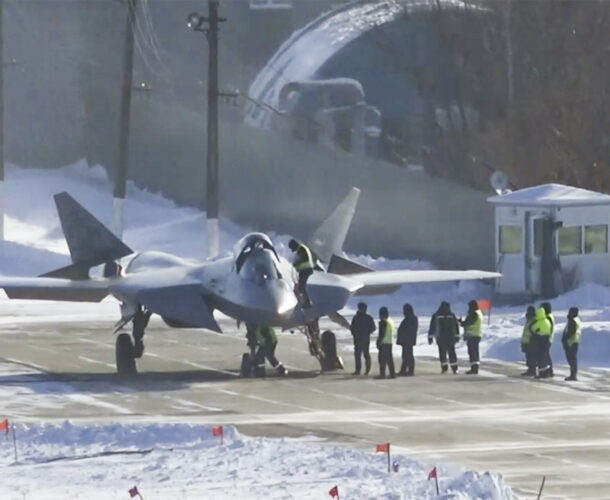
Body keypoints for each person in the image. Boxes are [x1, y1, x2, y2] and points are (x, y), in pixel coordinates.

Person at [428, 301, 459, 374]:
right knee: (452, 352)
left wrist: (430, 337)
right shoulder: (452, 315)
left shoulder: (436, 315)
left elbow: (432, 326)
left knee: (442, 352)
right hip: (450, 337)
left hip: (440, 337)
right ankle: (454, 368)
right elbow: (456, 326)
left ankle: (444, 368)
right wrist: (457, 336)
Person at [350, 302, 376, 375]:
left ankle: (367, 370)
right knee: (358, 355)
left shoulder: (368, 317)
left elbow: (373, 328)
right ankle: (358, 370)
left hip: (364, 339)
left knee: (365, 354)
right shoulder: (356, 317)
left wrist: (366, 332)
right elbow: (352, 327)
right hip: (358, 339)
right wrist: (354, 333)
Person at [288, 239, 314, 307]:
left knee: (302, 286)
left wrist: (295, 265)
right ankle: (302, 301)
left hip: (306, 270)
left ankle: (307, 303)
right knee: (301, 286)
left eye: (292, 248)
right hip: (305, 270)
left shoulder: (301, 249)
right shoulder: (302, 248)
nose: (292, 250)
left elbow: (300, 260)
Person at [460, 300, 483, 374]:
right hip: (476, 334)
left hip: (472, 335)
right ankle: (474, 367)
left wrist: (462, 323)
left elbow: (469, 322)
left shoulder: (473, 313)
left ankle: (474, 369)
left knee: (472, 352)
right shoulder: (478, 313)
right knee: (475, 352)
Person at [529, 306, 552, 378]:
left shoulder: (539, 322)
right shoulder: (547, 321)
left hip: (539, 341)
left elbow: (531, 328)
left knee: (539, 359)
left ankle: (541, 374)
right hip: (546, 341)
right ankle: (546, 372)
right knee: (545, 358)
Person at [397, 303, 418, 376]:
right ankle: (405, 370)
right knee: (406, 355)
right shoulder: (410, 318)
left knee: (408, 355)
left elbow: (408, 330)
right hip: (407, 340)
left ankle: (410, 370)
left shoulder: (411, 318)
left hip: (408, 340)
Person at [376, 306, 395, 379]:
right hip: (390, 342)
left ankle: (382, 374)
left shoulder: (383, 322)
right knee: (389, 359)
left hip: (384, 343)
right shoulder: (390, 320)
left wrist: (378, 342)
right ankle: (392, 374)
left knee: (382, 360)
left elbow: (382, 334)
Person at [562, 307, 581, 381]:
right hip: (573, 341)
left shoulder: (573, 320)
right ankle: (573, 375)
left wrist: (565, 338)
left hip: (571, 342)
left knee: (571, 359)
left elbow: (572, 331)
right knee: (572, 359)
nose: (569, 313)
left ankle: (573, 375)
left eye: (571, 312)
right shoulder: (574, 319)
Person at [520, 306, 536, 376]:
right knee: (528, 357)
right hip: (526, 341)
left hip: (531, 341)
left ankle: (532, 370)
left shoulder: (533, 320)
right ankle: (530, 369)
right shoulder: (528, 319)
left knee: (531, 357)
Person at [541, 302, 555, 377]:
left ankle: (548, 371)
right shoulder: (549, 316)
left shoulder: (548, 317)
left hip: (547, 338)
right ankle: (549, 370)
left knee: (545, 355)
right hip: (548, 338)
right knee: (546, 355)